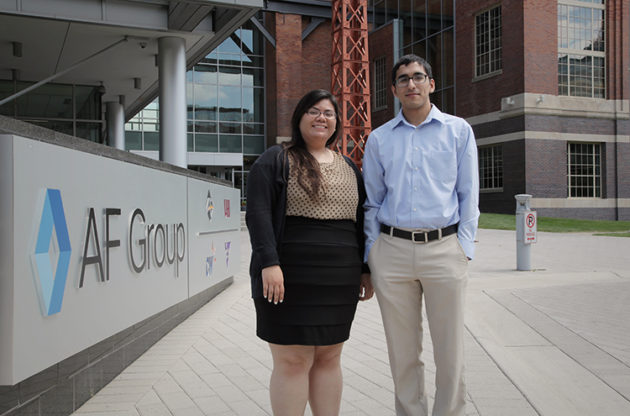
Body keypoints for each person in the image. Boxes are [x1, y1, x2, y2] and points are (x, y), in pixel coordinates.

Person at [362, 54, 479, 416]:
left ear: (430, 83)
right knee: (402, 353)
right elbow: (372, 201)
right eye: (403, 79)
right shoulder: (379, 140)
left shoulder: (458, 131)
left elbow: (468, 194)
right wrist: (372, 252)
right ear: (394, 90)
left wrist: (464, 247)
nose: (411, 84)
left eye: (417, 77)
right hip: (392, 252)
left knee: (450, 351)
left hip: (444, 248)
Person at [246, 89, 373, 416]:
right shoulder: (275, 159)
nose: (322, 118)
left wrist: (365, 269)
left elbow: (361, 221)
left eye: (329, 113)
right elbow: (258, 214)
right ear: (299, 117)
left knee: (330, 357)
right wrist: (269, 263)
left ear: (336, 123)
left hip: (338, 280)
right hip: (288, 277)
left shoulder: (349, 166)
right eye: (313, 111)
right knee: (292, 360)